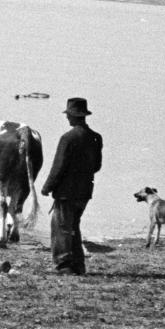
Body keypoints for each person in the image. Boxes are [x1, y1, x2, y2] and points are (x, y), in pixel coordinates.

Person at [39, 96, 103, 275]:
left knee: (61, 228)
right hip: (84, 192)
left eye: (69, 115)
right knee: (74, 227)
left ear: (75, 116)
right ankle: (78, 265)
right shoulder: (96, 138)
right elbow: (96, 166)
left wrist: (47, 187)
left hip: (66, 192)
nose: (67, 118)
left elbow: (58, 166)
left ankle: (63, 265)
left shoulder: (67, 138)